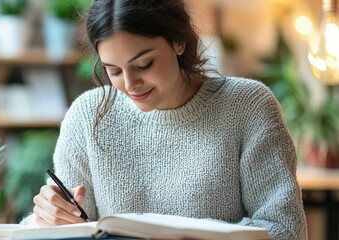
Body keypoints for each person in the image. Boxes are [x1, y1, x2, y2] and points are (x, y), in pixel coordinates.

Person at [21, 0, 307, 239]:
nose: (131, 84)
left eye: (144, 64)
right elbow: (68, 228)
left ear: (178, 40)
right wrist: (46, 218)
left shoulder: (247, 106)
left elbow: (285, 229)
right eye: (114, 70)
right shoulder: (87, 116)